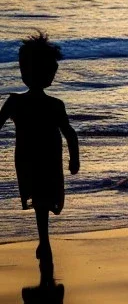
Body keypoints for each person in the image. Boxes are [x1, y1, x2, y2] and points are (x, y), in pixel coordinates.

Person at [0, 31, 80, 259]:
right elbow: (70, 134)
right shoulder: (51, 104)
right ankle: (44, 241)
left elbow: (69, 133)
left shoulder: (18, 102)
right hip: (41, 158)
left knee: (41, 200)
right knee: (43, 199)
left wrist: (74, 158)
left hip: (31, 157)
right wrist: (74, 158)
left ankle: (44, 241)